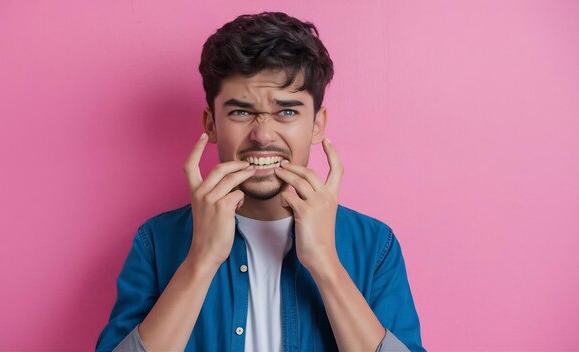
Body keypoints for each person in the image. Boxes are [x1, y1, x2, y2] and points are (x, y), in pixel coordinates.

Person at [96, 11, 425, 352]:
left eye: (287, 111)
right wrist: (202, 259)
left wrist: (326, 264)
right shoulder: (157, 242)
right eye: (240, 112)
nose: (263, 134)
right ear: (211, 124)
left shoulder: (375, 245)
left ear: (316, 125)